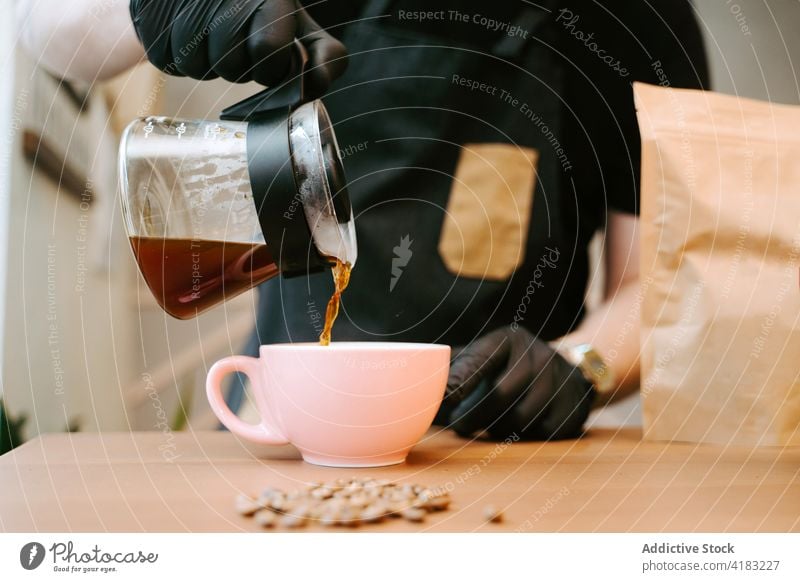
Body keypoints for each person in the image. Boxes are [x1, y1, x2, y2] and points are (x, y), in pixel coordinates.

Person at [17, 0, 709, 441]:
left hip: (503, 446)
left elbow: (659, 281)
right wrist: (149, 10)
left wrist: (580, 364)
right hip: (281, 432)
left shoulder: (637, 24)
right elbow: (39, 25)